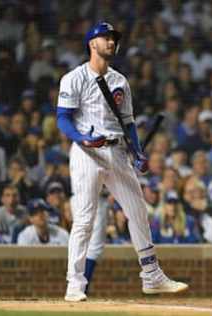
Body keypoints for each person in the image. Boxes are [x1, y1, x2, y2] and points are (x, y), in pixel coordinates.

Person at [56, 22, 187, 301]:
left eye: (113, 38)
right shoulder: (73, 78)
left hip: (116, 151)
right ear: (92, 43)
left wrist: (138, 153)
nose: (111, 42)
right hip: (87, 152)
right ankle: (75, 285)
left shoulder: (120, 81)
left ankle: (151, 276)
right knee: (84, 219)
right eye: (106, 38)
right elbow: (62, 118)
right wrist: (82, 138)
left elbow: (128, 123)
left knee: (138, 210)